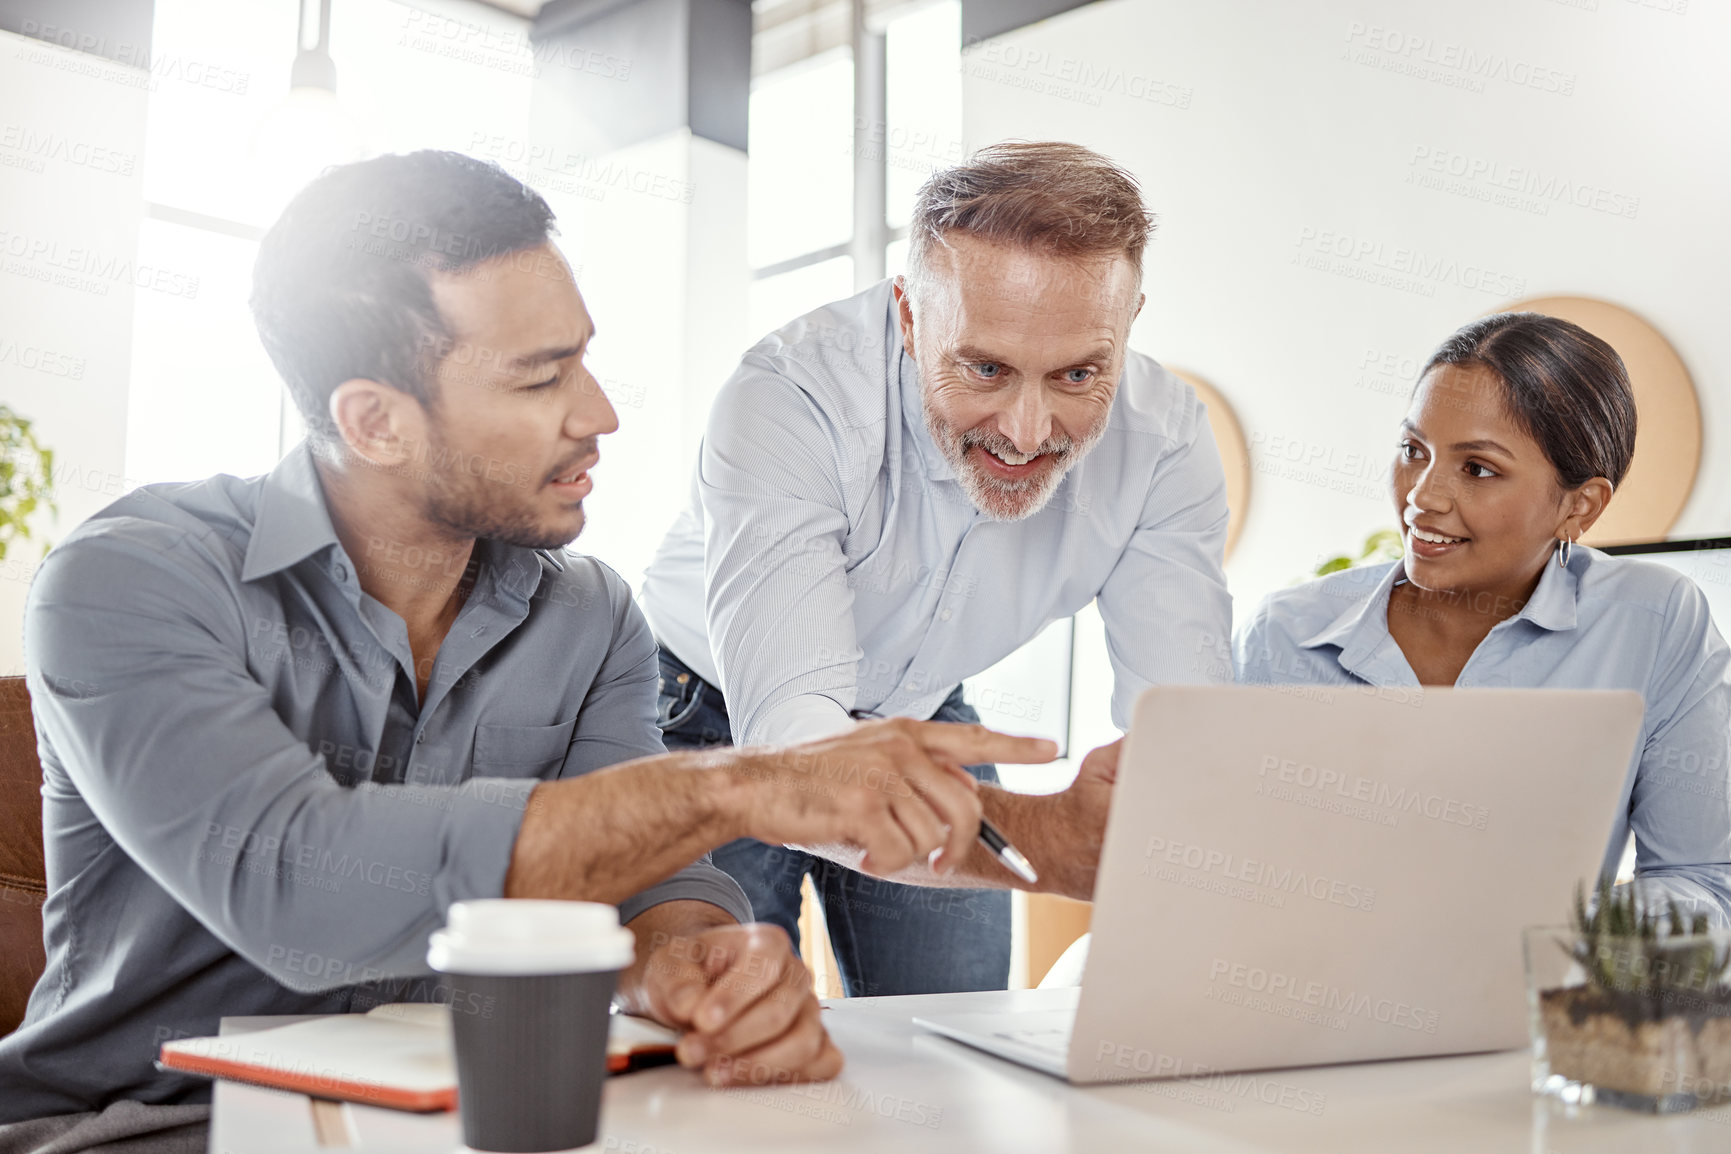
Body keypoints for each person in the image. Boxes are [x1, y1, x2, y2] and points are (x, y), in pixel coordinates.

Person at [0, 152, 1058, 1139]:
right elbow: (295, 882)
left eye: (584, 359)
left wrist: (691, 960)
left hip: (472, 1121)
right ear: (374, 421)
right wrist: (746, 785)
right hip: (156, 1126)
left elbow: (649, 885)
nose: (598, 412)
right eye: (541, 376)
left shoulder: (591, 613)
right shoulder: (127, 579)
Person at [639, 141, 1234, 997]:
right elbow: (791, 740)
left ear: (1130, 318)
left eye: (1077, 373)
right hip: (709, 716)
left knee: (956, 1047)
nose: (1028, 434)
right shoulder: (789, 395)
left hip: (923, 706)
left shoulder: (1167, 440)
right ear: (909, 316)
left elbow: (1185, 729)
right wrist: (1051, 837)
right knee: (731, 1056)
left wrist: (1169, 816)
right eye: (985, 368)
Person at [1235, 312, 1731, 920]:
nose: (1422, 497)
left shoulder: (1653, 622)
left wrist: (1553, 940)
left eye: (1477, 469)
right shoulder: (1285, 634)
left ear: (1580, 507)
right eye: (1413, 450)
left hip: (1538, 999)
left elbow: (1702, 879)